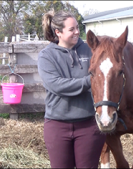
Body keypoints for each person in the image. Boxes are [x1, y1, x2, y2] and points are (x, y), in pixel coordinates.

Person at [37, 10, 106, 168]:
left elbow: (106, 73)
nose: (77, 32)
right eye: (71, 29)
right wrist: (91, 79)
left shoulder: (90, 50)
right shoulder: (46, 56)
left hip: (88, 124)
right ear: (58, 32)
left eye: (77, 27)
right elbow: (57, 85)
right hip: (57, 126)